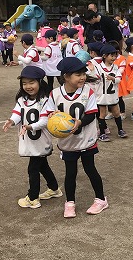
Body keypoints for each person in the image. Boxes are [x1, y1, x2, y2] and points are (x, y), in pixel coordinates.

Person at [43, 57, 108, 217]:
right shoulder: (55, 94)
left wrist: (79, 122)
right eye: (78, 75)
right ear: (66, 76)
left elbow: (92, 114)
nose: (82, 77)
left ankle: (101, 199)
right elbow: (48, 113)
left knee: (90, 169)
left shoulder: (88, 92)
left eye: (83, 74)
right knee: (70, 173)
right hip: (68, 142)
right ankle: (70, 202)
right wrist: (52, 116)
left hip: (86, 140)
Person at [2, 66, 62, 209]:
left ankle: (33, 197)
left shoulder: (45, 101)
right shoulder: (22, 99)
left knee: (33, 169)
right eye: (24, 83)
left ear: (40, 82)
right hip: (29, 140)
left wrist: (31, 126)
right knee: (43, 166)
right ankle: (54, 189)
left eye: (31, 82)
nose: (28, 86)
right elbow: (17, 113)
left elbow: (45, 121)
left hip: (41, 141)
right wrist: (11, 121)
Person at [92, 44, 126, 140]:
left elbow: (119, 79)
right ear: (104, 56)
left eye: (115, 56)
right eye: (111, 56)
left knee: (116, 113)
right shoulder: (97, 68)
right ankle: (102, 133)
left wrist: (113, 79)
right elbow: (93, 79)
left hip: (112, 95)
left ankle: (120, 130)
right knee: (102, 114)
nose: (114, 58)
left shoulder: (115, 67)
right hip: (102, 95)